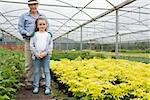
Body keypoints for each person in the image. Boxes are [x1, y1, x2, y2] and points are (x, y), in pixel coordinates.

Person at [18, 0, 49, 88]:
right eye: (31, 5)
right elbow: (20, 27)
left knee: (41, 58)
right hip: (28, 40)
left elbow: (48, 26)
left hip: (40, 41)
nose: (33, 6)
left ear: (37, 5)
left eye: (35, 4)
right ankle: (29, 80)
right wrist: (27, 33)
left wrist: (48, 35)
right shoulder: (24, 16)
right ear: (28, 5)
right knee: (29, 61)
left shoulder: (42, 16)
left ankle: (41, 80)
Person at [30, 16, 53, 95]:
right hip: (37, 55)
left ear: (46, 25)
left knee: (46, 71)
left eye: (44, 24)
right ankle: (36, 86)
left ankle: (47, 87)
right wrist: (36, 53)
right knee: (36, 71)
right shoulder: (34, 34)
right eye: (40, 24)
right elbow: (31, 45)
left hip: (46, 55)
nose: (42, 26)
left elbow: (50, 46)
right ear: (37, 25)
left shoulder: (48, 35)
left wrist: (45, 53)